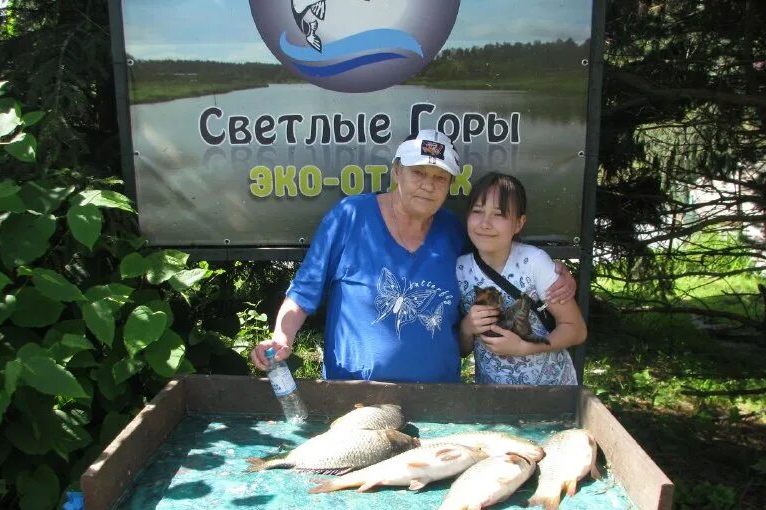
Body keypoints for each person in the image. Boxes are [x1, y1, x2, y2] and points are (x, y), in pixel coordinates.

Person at [251, 130, 576, 383]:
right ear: (396, 172)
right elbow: (304, 293)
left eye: (439, 178)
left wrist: (555, 274)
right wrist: (283, 337)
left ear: (450, 184)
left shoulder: (455, 230)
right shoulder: (350, 216)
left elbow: (499, 261)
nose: (428, 186)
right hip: (353, 394)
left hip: (438, 398)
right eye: (418, 173)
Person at [457, 172, 587, 385]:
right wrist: (467, 327)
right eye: (478, 211)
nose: (485, 223)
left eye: (498, 214)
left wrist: (525, 347)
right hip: (493, 398)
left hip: (551, 393)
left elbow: (576, 329)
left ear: (519, 223)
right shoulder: (460, 269)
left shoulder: (534, 262)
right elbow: (462, 350)